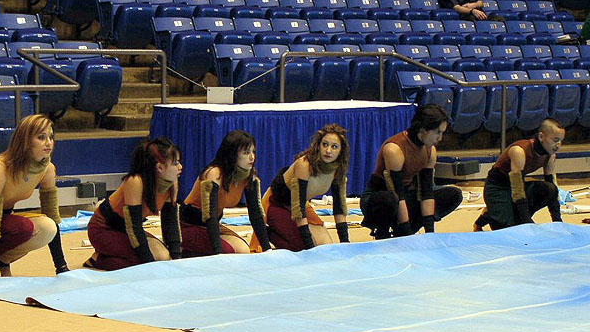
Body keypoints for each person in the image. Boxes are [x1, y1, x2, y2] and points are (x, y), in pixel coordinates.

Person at [0, 114, 69, 277]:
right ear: (26, 141)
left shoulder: (48, 169)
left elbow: (52, 215)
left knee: (47, 228)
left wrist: (61, 267)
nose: (48, 143)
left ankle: (2, 260)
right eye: (41, 137)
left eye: (51, 137)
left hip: (3, 220)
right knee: (24, 228)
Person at [360, 104, 463, 239]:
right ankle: (383, 233)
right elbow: (397, 194)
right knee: (388, 200)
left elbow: (426, 192)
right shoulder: (394, 149)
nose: (440, 138)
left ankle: (404, 230)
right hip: (381, 197)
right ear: (423, 130)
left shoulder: (430, 150)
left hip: (407, 194)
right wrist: (406, 233)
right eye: (438, 132)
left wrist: (430, 233)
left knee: (454, 194)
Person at [85, 137, 183, 270]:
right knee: (147, 261)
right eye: (175, 163)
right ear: (160, 167)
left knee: (164, 257)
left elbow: (170, 223)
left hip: (125, 230)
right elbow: (134, 227)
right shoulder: (135, 182)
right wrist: (148, 264)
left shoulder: (172, 183)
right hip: (104, 230)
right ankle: (98, 259)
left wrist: (176, 259)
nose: (180, 167)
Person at [252, 123, 351, 252]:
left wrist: (345, 243)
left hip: (301, 205)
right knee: (302, 247)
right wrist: (308, 247)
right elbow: (298, 208)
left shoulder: (339, 169)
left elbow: (339, 207)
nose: (328, 151)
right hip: (277, 203)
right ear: (318, 145)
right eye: (325, 144)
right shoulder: (304, 164)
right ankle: (268, 232)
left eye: (334, 147)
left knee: (325, 245)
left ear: (341, 150)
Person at [180, 129, 271, 256]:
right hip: (190, 224)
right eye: (246, 152)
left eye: (253, 152)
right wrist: (218, 253)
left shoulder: (250, 177)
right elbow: (210, 216)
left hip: (212, 224)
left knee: (243, 250)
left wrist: (267, 249)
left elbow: (256, 214)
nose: (252, 157)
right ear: (232, 154)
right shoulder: (214, 174)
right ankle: (188, 250)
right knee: (231, 251)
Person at [480, 118, 565, 230]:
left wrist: (558, 222)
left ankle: (506, 213)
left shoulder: (550, 155)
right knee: (509, 229)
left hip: (516, 187)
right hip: (497, 187)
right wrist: (526, 221)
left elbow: (552, 186)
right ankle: (488, 214)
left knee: (549, 189)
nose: (558, 145)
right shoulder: (519, 151)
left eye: (561, 141)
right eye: (555, 140)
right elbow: (517, 190)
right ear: (541, 137)